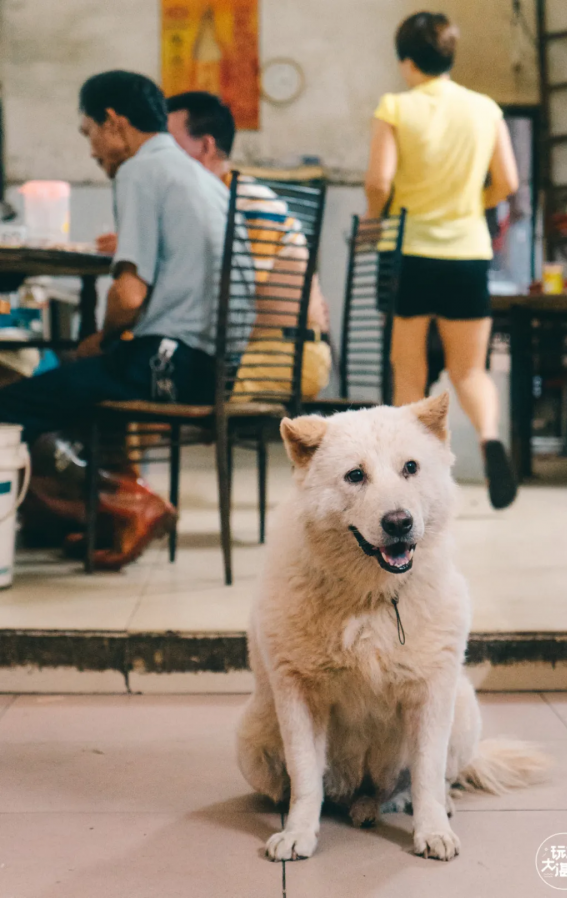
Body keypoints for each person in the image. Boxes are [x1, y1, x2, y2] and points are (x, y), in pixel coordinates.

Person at [2, 70, 230, 566]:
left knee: (13, 405)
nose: (92, 151)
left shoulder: (141, 170)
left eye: (89, 133)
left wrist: (103, 339)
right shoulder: (199, 175)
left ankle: (127, 503)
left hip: (168, 362)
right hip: (210, 364)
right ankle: (97, 511)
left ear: (114, 123)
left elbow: (127, 295)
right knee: (75, 389)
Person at [365, 12, 519, 509]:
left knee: (408, 374)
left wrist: (376, 217)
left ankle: (419, 482)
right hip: (467, 253)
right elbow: (509, 183)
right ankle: (491, 437)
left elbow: (378, 181)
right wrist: (475, 204)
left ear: (407, 62)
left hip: (410, 252)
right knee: (469, 371)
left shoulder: (396, 106)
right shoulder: (485, 109)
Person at [165, 91, 332, 401]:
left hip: (283, 355)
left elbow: (237, 297)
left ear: (205, 146)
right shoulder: (219, 200)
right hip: (258, 350)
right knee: (147, 367)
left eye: (170, 146)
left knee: (156, 377)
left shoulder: (246, 200)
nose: (161, 157)